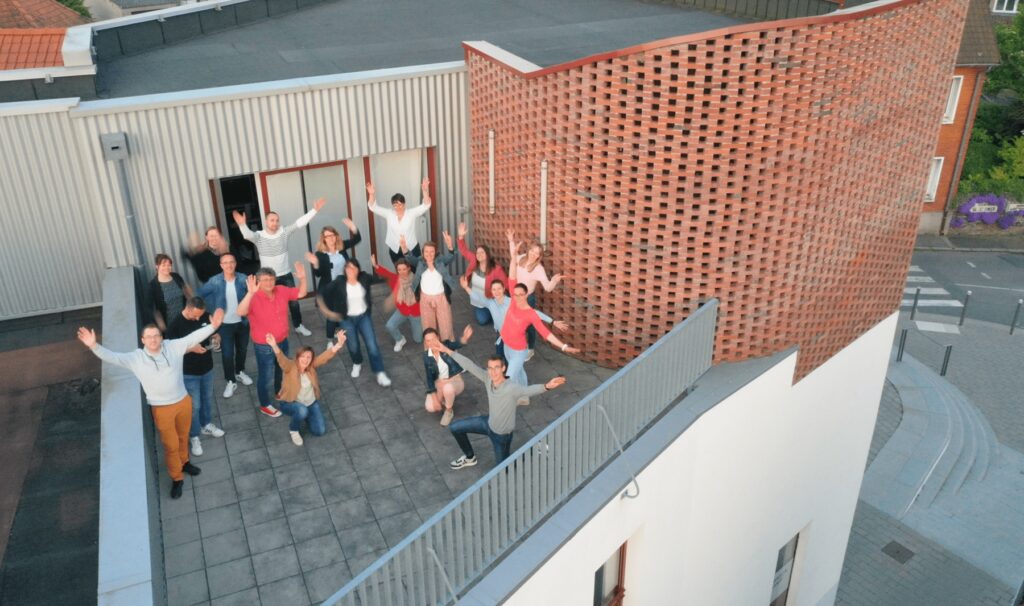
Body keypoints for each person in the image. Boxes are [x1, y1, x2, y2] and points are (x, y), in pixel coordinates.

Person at [76, 309, 225, 499]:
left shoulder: (173, 347)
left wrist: (213, 326)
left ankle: (185, 462)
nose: (153, 339)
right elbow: (113, 357)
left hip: (183, 402)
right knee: (170, 445)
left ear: (161, 337)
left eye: (156, 336)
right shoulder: (136, 358)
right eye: (149, 337)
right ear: (143, 340)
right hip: (162, 409)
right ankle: (177, 478)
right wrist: (94, 346)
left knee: (183, 436)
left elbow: (193, 337)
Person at [440, 345, 567, 469]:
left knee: (504, 470)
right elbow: (469, 365)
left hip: (502, 436)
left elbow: (528, 391)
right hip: (488, 423)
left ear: (503, 368)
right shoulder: (488, 378)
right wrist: (446, 350)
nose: (493, 372)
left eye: (496, 368)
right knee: (455, 428)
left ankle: (534, 448)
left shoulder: (511, 388)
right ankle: (469, 458)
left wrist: (547, 386)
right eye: (490, 368)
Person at [233, 198, 325, 336]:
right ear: (266, 222)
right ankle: (268, 326)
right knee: (266, 303)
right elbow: (247, 235)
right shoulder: (259, 236)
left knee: (294, 302)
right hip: (267, 278)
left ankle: (298, 325)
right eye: (272, 220)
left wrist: (314, 211)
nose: (275, 223)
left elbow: (299, 223)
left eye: (277, 220)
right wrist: (242, 225)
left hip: (286, 274)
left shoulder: (284, 232)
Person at [237, 263, 308, 417]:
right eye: (264, 280)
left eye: (271, 279)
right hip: (265, 346)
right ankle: (265, 405)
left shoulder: (281, 290)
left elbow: (301, 294)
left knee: (281, 370)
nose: (268, 283)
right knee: (265, 376)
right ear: (258, 282)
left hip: (282, 340)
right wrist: (249, 293)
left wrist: (303, 279)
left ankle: (278, 392)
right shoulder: (253, 297)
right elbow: (240, 311)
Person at [166, 297, 226, 457]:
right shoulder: (174, 326)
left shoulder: (205, 315)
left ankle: (206, 424)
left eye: (201, 315)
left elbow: (214, 331)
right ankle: (194, 436)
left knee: (207, 399)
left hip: (207, 368)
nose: (199, 318)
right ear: (188, 308)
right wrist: (190, 349)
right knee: (195, 406)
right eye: (196, 315)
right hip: (188, 372)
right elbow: (170, 351)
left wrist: (216, 337)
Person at [318, 259, 392, 387]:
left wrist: (377, 266)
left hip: (364, 317)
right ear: (345, 270)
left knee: (372, 344)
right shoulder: (339, 281)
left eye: (354, 268)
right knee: (353, 346)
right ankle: (357, 362)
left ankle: (380, 372)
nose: (351, 270)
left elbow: (383, 278)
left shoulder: (364, 278)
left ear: (358, 269)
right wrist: (328, 312)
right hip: (346, 319)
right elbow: (322, 293)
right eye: (348, 267)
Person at [457, 275, 566, 360]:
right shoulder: (490, 303)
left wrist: (552, 321)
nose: (497, 291)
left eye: (499, 288)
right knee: (500, 359)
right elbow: (477, 297)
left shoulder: (512, 302)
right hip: (501, 336)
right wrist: (466, 287)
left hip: (515, 338)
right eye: (494, 289)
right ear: (491, 291)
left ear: (504, 289)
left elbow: (534, 312)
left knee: (512, 363)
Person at [265, 331, 345, 446]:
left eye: (309, 357)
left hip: (310, 403)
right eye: (303, 356)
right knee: (301, 410)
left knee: (319, 431)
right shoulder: (290, 366)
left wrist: (338, 344)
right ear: (297, 357)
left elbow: (324, 357)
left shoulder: (311, 367)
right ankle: (294, 429)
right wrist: (273, 345)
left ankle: (305, 414)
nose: (305, 359)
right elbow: (281, 358)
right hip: (291, 403)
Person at [196, 254, 254, 398]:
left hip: (242, 322)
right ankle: (230, 380)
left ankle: (239, 372)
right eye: (225, 263)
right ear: (221, 265)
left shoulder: (243, 279)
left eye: (231, 262)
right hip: (225, 325)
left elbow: (254, 297)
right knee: (227, 354)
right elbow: (200, 295)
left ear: (235, 263)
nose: (229, 265)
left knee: (242, 349)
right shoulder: (215, 281)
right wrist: (211, 314)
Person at [508, 230, 564, 358]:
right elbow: (513, 256)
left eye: (537, 253)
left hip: (528, 299)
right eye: (532, 251)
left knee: (529, 325)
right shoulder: (521, 258)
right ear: (528, 250)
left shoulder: (539, 269)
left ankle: (530, 349)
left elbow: (548, 288)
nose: (534, 254)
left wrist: (554, 281)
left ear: (539, 256)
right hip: (515, 296)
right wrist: (511, 240)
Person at [305, 220, 361, 343]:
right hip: (329, 289)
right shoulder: (320, 254)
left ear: (336, 236)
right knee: (332, 314)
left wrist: (353, 227)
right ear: (323, 239)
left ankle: (339, 329)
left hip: (343, 286)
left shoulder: (341, 247)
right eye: (327, 236)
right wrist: (315, 264)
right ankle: (330, 340)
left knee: (342, 309)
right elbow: (318, 274)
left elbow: (357, 239)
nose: (330, 238)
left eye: (332, 235)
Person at [403, 232, 458, 342]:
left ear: (436, 252)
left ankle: (448, 348)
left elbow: (451, 257)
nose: (429, 254)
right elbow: (409, 258)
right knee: (428, 327)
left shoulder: (440, 261)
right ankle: (431, 350)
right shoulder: (419, 262)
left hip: (441, 298)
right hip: (425, 299)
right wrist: (404, 248)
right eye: (426, 251)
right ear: (422, 253)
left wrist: (450, 245)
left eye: (432, 251)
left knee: (445, 325)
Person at [367, 178, 432, 266]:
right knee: (400, 272)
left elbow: (426, 205)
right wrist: (372, 194)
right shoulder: (389, 214)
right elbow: (372, 207)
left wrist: (425, 191)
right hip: (395, 249)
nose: (398, 207)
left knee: (416, 270)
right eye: (395, 205)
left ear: (404, 204)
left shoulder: (411, 213)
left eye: (400, 204)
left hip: (411, 248)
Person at [456, 222, 508, 327]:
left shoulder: (496, 269)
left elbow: (506, 284)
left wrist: (512, 301)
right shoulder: (474, 261)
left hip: (492, 300)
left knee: (500, 319)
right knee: (482, 321)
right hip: (479, 302)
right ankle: (492, 313)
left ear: (487, 255)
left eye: (482, 252)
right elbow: (464, 251)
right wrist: (461, 236)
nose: (479, 254)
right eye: (478, 252)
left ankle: (497, 310)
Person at [422, 325, 473, 427]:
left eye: (434, 339)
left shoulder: (446, 345)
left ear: (438, 338)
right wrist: (436, 400)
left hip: (454, 380)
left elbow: (457, 344)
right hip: (439, 382)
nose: (431, 343)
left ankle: (449, 410)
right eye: (428, 341)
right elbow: (429, 378)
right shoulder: (426, 356)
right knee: (430, 407)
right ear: (425, 343)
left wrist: (464, 339)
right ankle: (446, 399)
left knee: (448, 388)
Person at [370, 254, 422, 352]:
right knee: (390, 325)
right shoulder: (394, 279)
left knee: (418, 340)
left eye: (404, 269)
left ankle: (420, 327)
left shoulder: (417, 280)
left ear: (409, 268)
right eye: (399, 270)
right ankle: (400, 339)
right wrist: (375, 265)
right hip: (402, 310)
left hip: (416, 312)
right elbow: (385, 273)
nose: (402, 272)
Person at [147, 253, 193, 332]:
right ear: (157, 266)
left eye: (169, 265)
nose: (167, 267)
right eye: (163, 265)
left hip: (185, 318)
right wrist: (161, 324)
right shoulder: (153, 286)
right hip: (170, 325)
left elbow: (187, 293)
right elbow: (152, 309)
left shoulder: (176, 277)